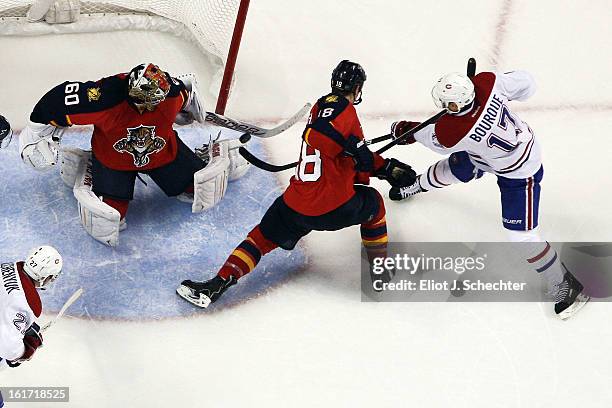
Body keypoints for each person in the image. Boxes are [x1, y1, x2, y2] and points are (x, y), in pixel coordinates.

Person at [177, 60, 417, 308]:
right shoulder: (339, 107)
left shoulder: (325, 108)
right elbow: (319, 134)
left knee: (260, 238)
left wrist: (387, 168)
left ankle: (218, 283)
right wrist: (357, 148)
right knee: (374, 204)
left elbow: (346, 153)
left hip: (297, 205)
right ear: (357, 88)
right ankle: (379, 274)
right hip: (333, 207)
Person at [388, 70, 589, 319]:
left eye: (446, 103)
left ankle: (565, 285)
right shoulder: (486, 83)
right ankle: (418, 184)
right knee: (456, 168)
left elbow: (429, 137)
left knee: (522, 237)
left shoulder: (452, 133)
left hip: (518, 170)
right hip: (505, 148)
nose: (442, 106)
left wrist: (405, 130)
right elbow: (527, 84)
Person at [20, 63, 249, 247]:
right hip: (113, 160)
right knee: (111, 217)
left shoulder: (171, 92)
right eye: (151, 102)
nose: (156, 105)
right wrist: (34, 134)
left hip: (163, 152)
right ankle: (90, 167)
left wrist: (189, 105)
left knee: (194, 188)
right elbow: (56, 102)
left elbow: (185, 91)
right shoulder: (103, 99)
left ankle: (209, 154)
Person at [0, 246, 63, 369]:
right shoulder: (26, 303)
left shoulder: (5, 268)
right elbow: (8, 348)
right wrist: (24, 351)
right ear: (45, 277)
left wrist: (22, 327)